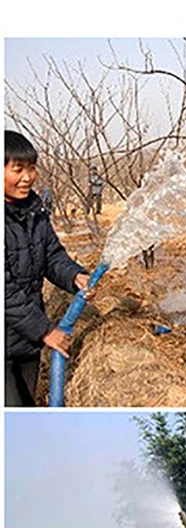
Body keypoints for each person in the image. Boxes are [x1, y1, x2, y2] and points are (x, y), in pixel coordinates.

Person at [5, 131, 92, 407]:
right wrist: (45, 330)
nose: (27, 177)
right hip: (21, 333)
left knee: (27, 404)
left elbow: (52, 255)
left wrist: (75, 276)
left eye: (31, 168)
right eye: (17, 169)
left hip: (25, 341)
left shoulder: (34, 210)